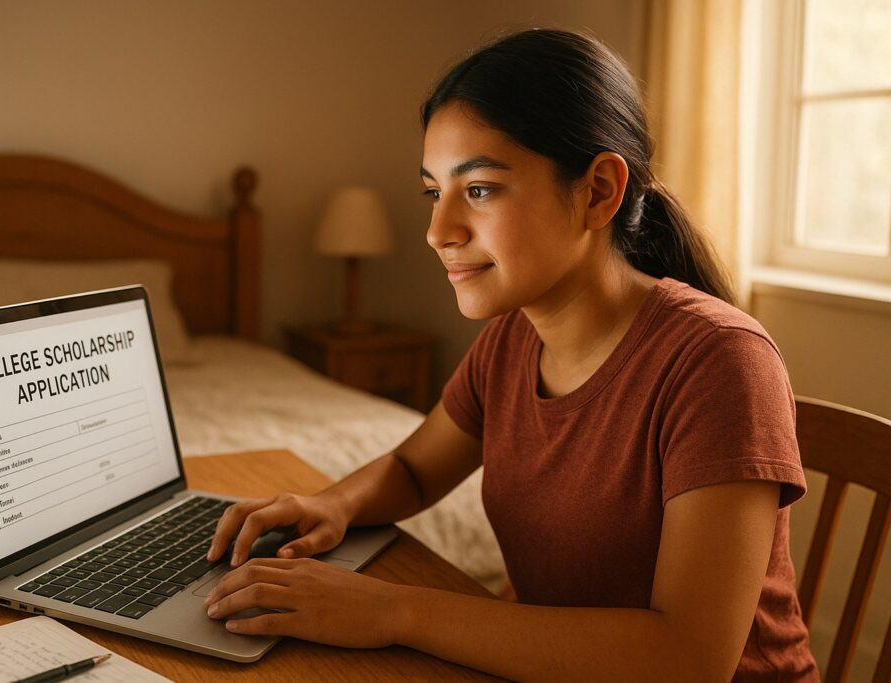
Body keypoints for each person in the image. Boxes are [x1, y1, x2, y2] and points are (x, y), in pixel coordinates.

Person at [201, 28, 818, 681]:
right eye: (433, 192)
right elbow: (415, 469)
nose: (439, 232)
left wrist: (397, 611)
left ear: (600, 191)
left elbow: (687, 659)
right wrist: (334, 503)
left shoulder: (720, 361)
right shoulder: (513, 337)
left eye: (481, 189)